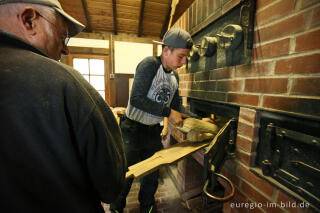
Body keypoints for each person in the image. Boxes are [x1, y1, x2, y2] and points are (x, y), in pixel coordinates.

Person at [0, 0, 126, 212]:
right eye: (62, 36)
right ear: (29, 20)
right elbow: (111, 184)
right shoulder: (66, 82)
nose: (66, 48)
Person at [110, 28, 207, 213]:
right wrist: (168, 112)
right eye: (181, 56)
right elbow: (137, 99)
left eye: (186, 57)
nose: (184, 62)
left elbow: (177, 107)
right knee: (126, 174)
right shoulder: (149, 65)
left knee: (152, 175)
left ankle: (146, 208)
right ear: (166, 51)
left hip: (152, 131)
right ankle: (116, 209)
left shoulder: (175, 77)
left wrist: (198, 118)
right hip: (132, 128)